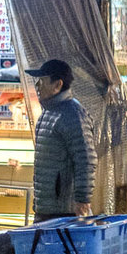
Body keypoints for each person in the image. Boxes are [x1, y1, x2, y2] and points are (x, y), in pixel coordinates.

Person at [27, 59, 97, 222]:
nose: (37, 86)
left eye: (42, 81)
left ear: (58, 85)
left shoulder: (72, 114)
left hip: (65, 210)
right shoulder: (49, 112)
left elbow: (86, 158)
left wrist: (82, 198)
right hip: (47, 207)